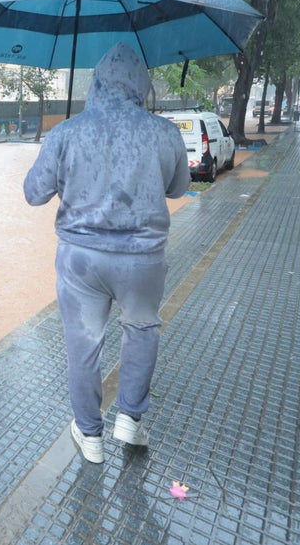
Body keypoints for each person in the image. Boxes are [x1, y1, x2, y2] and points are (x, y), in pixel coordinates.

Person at [23, 42, 190, 464]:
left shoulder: (67, 132)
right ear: (142, 85)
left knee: (84, 345)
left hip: (81, 262)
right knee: (142, 332)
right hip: (143, 260)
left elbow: (33, 193)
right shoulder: (164, 132)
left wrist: (57, 152)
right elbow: (179, 188)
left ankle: (90, 435)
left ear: (96, 83)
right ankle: (129, 422)